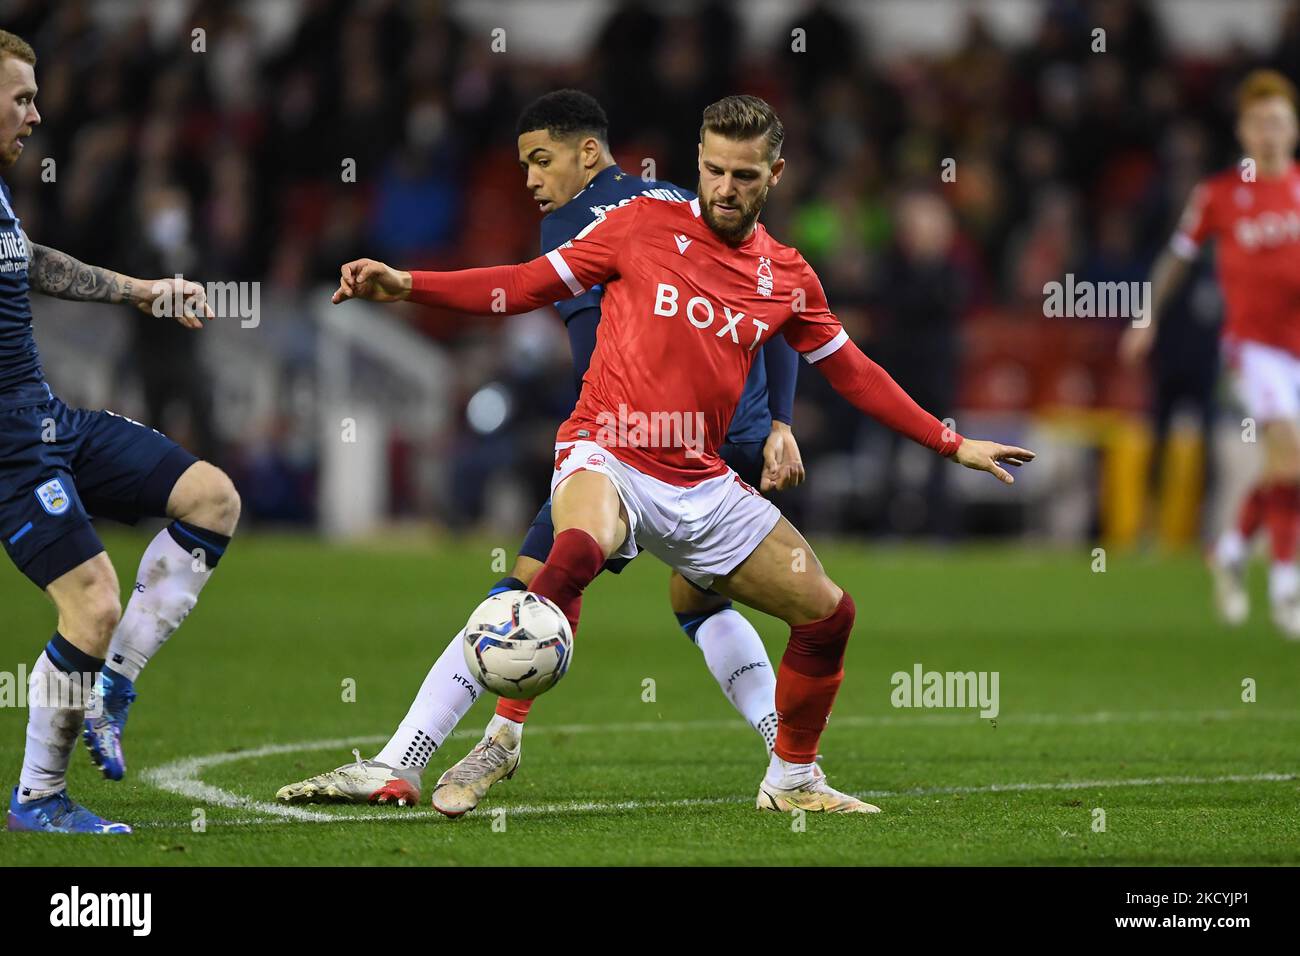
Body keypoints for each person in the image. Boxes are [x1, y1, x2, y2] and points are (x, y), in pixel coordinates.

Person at [329, 94, 1032, 814]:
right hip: (608, 448)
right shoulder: (635, 227)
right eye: (714, 171)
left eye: (744, 177)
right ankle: (497, 735)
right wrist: (408, 284)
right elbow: (521, 284)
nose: (726, 189)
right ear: (697, 162)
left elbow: (852, 370)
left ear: (775, 174)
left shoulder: (787, 276)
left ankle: (792, 780)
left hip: (700, 477)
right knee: (573, 549)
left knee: (829, 615)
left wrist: (951, 442)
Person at [277, 90, 806, 814]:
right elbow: (777, 303)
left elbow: (570, 329)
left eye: (541, 159)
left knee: (527, 588)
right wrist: (780, 421)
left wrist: (591, 446)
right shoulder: (691, 196)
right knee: (696, 598)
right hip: (730, 437)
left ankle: (419, 757)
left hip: (650, 444)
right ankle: (787, 756)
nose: (529, 179)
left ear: (589, 153)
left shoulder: (576, 221)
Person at [0, 30, 240, 834]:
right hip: (7, 448)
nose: (35, 113)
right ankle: (38, 796)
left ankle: (113, 688)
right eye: (21, 97)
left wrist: (138, 289)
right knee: (93, 604)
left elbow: (25, 260)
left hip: (48, 417)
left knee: (211, 498)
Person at [1121, 69, 1300, 639]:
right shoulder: (1220, 195)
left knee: (1285, 469)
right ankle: (1284, 587)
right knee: (1289, 458)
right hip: (1252, 348)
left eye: (1279, 120)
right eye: (1260, 122)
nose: (1270, 132)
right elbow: (1177, 257)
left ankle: (1228, 547)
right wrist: (1146, 316)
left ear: (1293, 128)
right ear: (1244, 131)